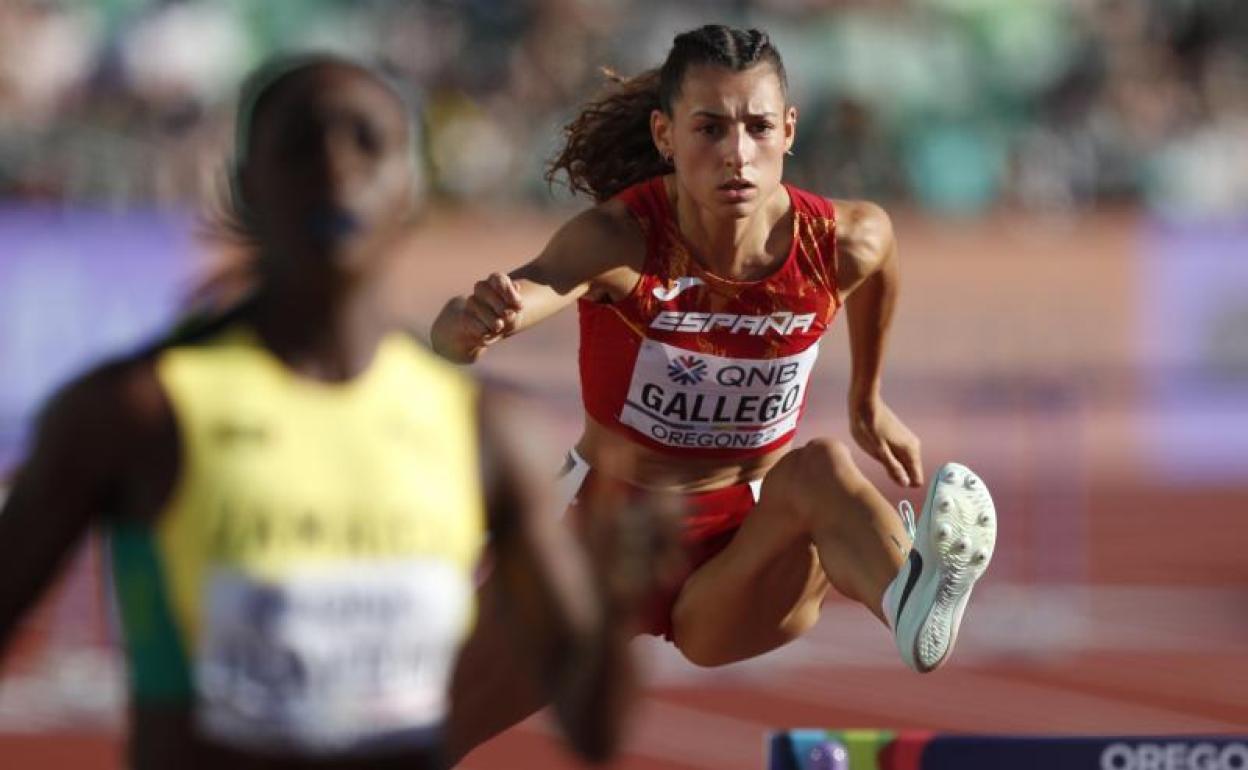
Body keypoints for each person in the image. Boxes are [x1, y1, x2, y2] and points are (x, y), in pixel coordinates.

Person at [0, 54, 652, 770]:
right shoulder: (137, 412)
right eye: (302, 143)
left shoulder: (486, 431)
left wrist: (618, 594)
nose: (336, 165)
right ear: (247, 187)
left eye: (366, 140)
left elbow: (595, 730)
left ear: (410, 189)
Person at [433, 24, 998, 763]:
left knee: (822, 466)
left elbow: (882, 257)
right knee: (429, 734)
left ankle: (910, 597)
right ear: (666, 135)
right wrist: (473, 323)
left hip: (742, 554)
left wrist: (869, 401)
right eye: (710, 128)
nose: (737, 153)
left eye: (758, 127)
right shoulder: (620, 239)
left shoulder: (837, 241)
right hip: (604, 543)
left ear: (788, 130)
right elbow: (514, 300)